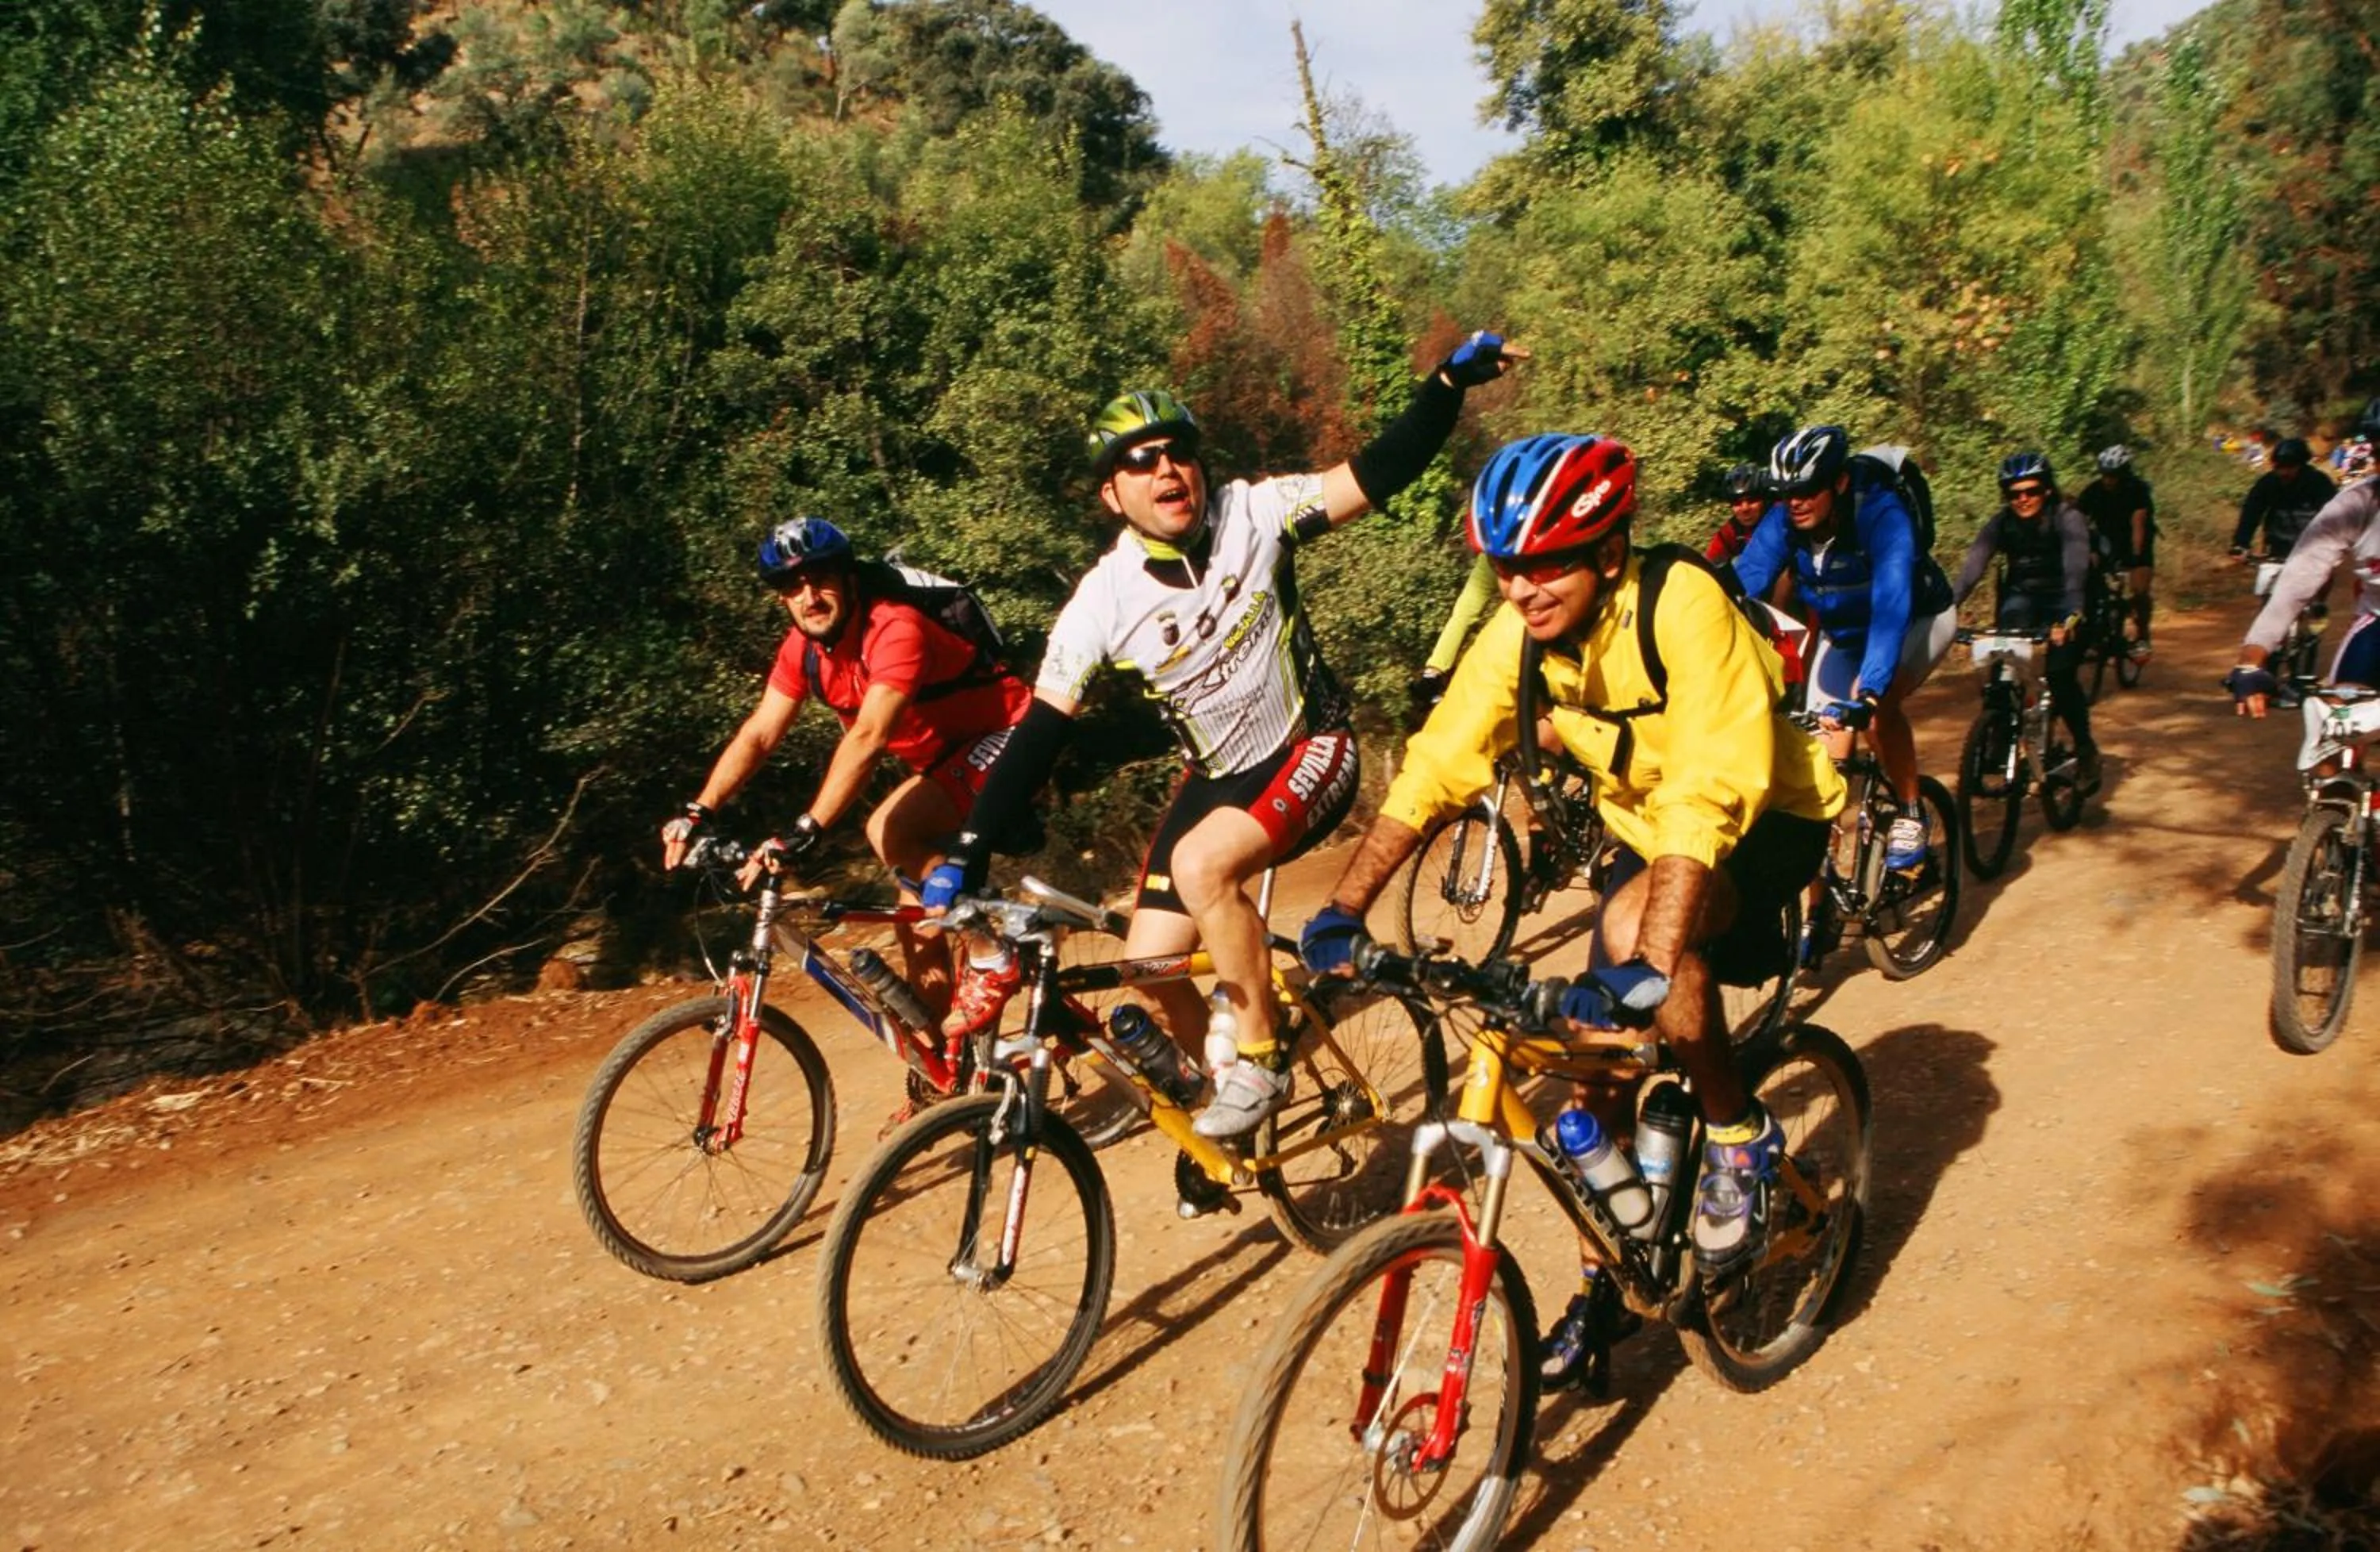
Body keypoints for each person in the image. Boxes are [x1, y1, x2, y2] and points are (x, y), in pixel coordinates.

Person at [1297, 432, 1844, 1389]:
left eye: (1546, 564)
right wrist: (1346, 909)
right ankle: (1608, 1286)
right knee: (1594, 1076)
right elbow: (1437, 763)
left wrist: (1655, 952)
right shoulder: (1520, 636)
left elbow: (1712, 787)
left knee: (1641, 942)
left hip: (1764, 817)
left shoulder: (1683, 605)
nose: (1521, 588)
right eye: (1507, 568)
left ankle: (1737, 1136)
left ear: (1606, 552)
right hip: (1651, 832)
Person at [922, 332, 1525, 1139]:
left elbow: (1377, 473)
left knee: (1204, 866)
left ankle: (1264, 1060)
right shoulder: (1101, 602)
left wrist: (1446, 385)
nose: (1167, 470)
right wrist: (967, 847)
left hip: (1314, 747)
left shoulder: (1256, 512)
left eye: (1177, 453)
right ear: (1111, 496)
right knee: (1146, 967)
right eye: (1140, 462)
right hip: (1217, 781)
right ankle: (1222, 1094)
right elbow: (1039, 731)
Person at [660, 517, 1034, 1052]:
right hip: (949, 760)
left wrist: (806, 828)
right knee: (916, 921)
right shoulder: (803, 651)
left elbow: (869, 735)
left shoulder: (894, 627)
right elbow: (760, 733)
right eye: (792, 586)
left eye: (820, 578)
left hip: (1010, 734)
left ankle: (992, 952)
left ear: (850, 577)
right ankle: (940, 1075)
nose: (808, 596)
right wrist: (700, 809)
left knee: (888, 828)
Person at [1730, 425, 1956, 870]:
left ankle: (1911, 812)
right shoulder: (1785, 521)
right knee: (1818, 767)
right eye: (1787, 491)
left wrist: (1869, 692)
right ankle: (1821, 901)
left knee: (1874, 711)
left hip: (1916, 620)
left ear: (1839, 483)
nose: (1795, 501)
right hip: (1845, 635)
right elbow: (1742, 586)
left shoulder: (1881, 515)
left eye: (1809, 489)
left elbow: (1891, 607)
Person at [1951, 453, 2102, 788]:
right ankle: (1998, 739)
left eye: (2031, 491)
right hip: (2022, 598)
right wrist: (1946, 611)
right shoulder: (2001, 524)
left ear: (2047, 490)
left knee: (2061, 676)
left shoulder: (2067, 518)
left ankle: (2086, 749)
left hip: (2067, 599)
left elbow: (2077, 572)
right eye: (2013, 493)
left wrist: (2071, 617)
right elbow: (1971, 570)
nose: (2022, 499)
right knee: (2001, 672)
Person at [2225, 474, 2380, 716]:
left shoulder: (2319, 484)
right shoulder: (2357, 502)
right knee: (2339, 719)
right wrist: (2250, 660)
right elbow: (2300, 577)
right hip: (2376, 622)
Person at [2074, 444, 2158, 661]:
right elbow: (2079, 519)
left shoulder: (2138, 490)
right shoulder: (2094, 490)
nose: (2108, 480)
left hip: (2136, 541)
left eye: (2114, 476)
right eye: (2105, 475)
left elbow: (2138, 523)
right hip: (2106, 542)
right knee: (2091, 586)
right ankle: (2094, 633)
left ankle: (2142, 635)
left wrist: (2136, 557)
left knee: (2139, 589)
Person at [2231, 437, 2338, 561]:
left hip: (2312, 549)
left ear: (2301, 465)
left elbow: (2334, 515)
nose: (2284, 472)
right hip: (2276, 549)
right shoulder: (2268, 483)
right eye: (2280, 467)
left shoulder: (2320, 483)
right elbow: (2251, 512)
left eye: (2290, 467)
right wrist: (2241, 543)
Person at [1705, 462, 1771, 564]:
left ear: (1765, 499)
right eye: (1737, 503)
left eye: (1752, 500)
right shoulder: (1730, 531)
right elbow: (1708, 563)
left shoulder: (1782, 516)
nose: (1745, 508)